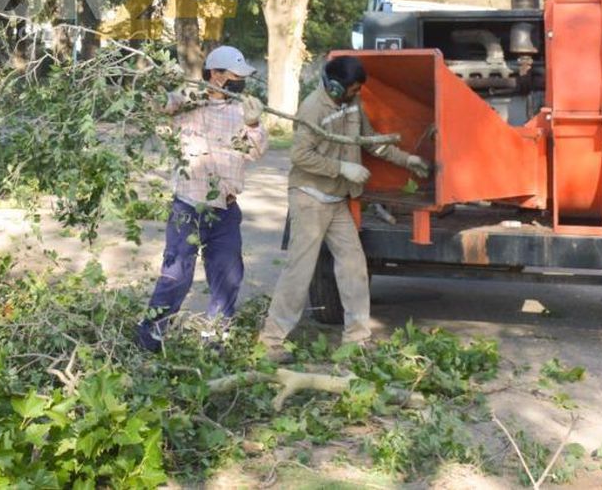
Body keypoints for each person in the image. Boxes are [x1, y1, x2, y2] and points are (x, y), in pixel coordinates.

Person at [259, 56, 430, 357]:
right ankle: (270, 341)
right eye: (352, 89)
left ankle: (356, 339)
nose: (357, 93)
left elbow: (369, 142)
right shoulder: (313, 109)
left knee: (354, 267)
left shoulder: (353, 103)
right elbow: (300, 156)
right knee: (299, 271)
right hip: (310, 197)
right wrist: (342, 168)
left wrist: (407, 160)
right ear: (335, 87)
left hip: (337, 200)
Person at [135, 45, 268, 353]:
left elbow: (257, 151)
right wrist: (155, 84)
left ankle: (215, 337)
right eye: (235, 76)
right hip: (189, 207)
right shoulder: (190, 103)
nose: (240, 82)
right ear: (215, 76)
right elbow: (159, 105)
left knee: (229, 275)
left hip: (225, 210)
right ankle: (150, 338)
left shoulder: (243, 111)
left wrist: (253, 124)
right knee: (176, 275)